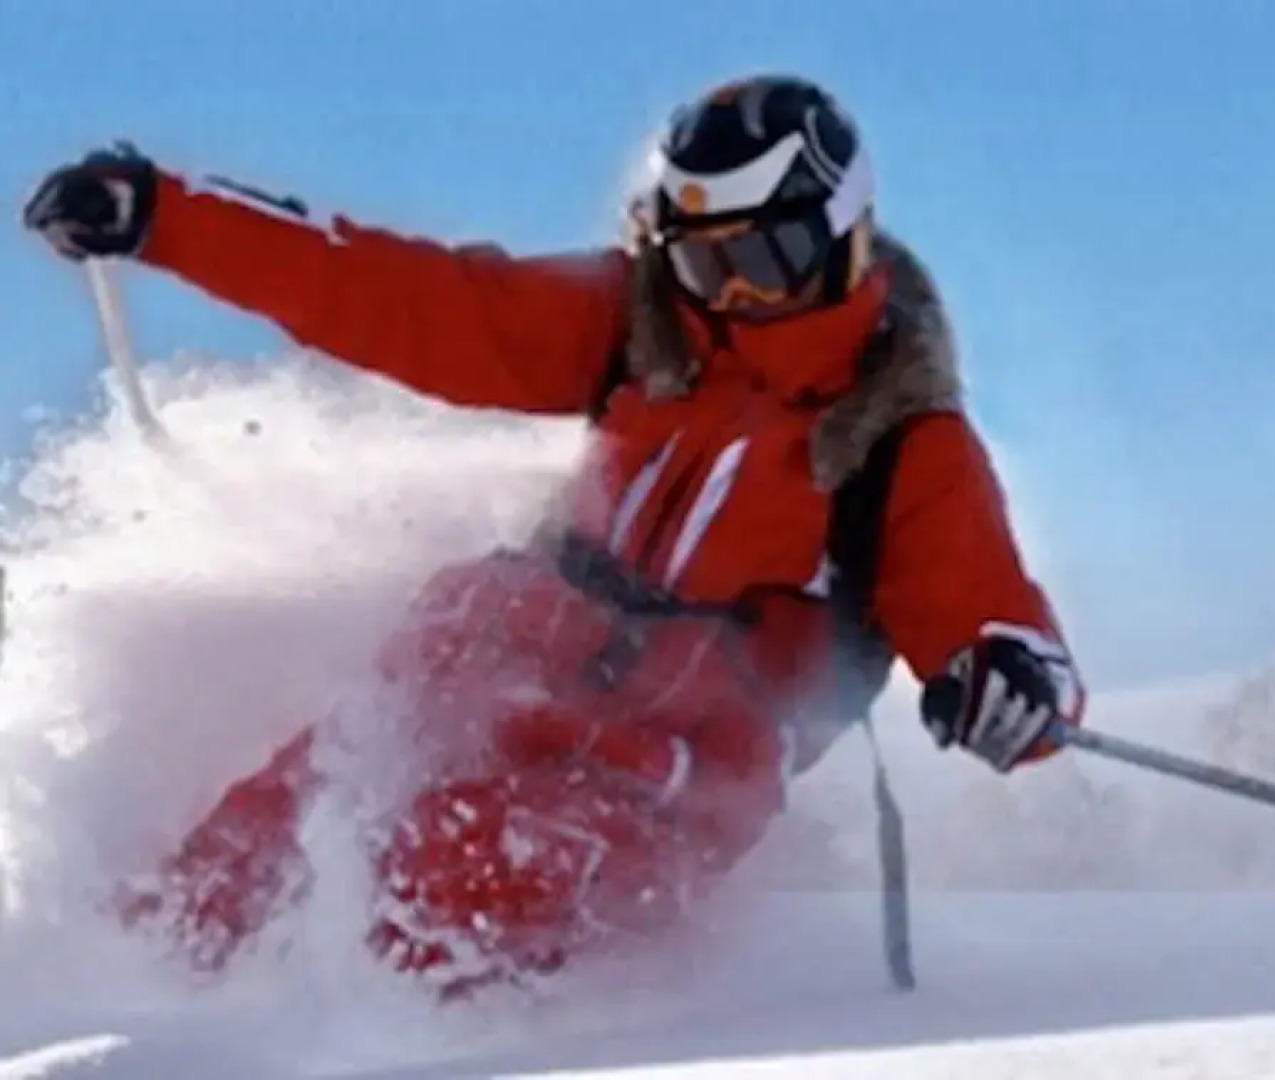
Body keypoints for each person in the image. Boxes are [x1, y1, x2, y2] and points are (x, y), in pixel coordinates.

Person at [22, 74, 1086, 996]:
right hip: (486, 668)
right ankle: (119, 1018)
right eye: (708, 265)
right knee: (241, 863)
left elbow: (995, 624)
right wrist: (169, 218)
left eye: (773, 257)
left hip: (667, 772)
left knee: (450, 884)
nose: (739, 296)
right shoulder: (637, 322)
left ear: (844, 234)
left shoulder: (903, 442)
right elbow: (410, 297)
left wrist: (1009, 683)